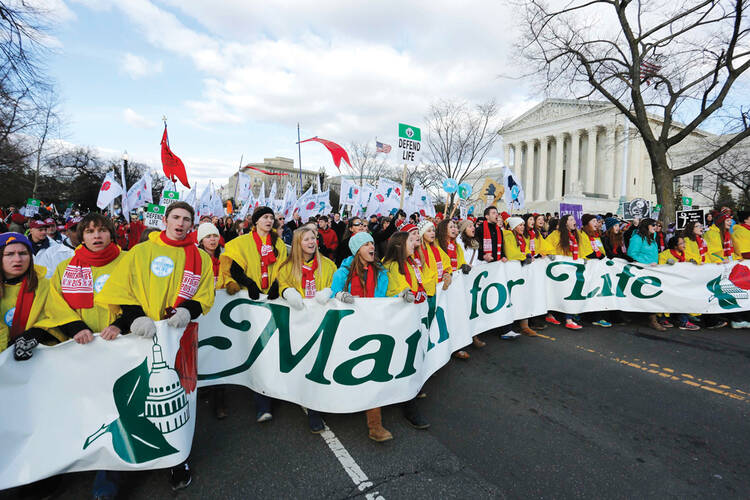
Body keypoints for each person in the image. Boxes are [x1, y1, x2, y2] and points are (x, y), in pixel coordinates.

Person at [96, 201, 216, 491]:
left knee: (180, 401)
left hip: (178, 339)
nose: (181, 222)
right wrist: (135, 318)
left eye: (187, 219)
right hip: (140, 336)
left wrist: (188, 311)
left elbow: (204, 293)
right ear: (165, 219)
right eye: (176, 217)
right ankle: (123, 465)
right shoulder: (140, 252)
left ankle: (178, 458)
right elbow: (123, 288)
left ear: (192, 225)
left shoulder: (201, 257)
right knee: (133, 402)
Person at [331, 232, 393, 441]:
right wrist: (338, 295)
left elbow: (384, 298)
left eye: (372, 243)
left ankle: (375, 426)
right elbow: (332, 295)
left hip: (373, 328)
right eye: (366, 244)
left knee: (372, 374)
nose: (371, 247)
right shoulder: (343, 272)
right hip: (348, 329)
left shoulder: (381, 271)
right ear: (357, 249)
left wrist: (400, 298)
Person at [276, 225, 337, 433]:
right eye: (306, 239)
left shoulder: (328, 265)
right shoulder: (287, 266)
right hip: (298, 323)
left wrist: (331, 291)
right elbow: (280, 282)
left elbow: (337, 284)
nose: (311, 242)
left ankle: (315, 407)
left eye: (314, 238)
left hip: (323, 322)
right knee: (304, 363)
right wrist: (286, 291)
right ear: (297, 243)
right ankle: (305, 400)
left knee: (320, 363)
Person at [381, 229, 430, 430]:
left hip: (412, 318)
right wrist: (406, 295)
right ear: (400, 245)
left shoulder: (411, 263)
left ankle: (409, 393)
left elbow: (420, 283)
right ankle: (408, 404)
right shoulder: (390, 266)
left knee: (411, 356)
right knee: (400, 359)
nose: (415, 244)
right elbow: (393, 292)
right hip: (398, 323)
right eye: (411, 241)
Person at [196, 222, 228, 419]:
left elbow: (231, 277)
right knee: (201, 353)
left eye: (215, 236)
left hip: (220, 315)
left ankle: (220, 401)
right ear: (201, 240)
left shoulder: (224, 259)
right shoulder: (194, 259)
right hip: (200, 314)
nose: (212, 240)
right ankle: (203, 387)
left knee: (219, 355)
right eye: (208, 237)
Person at [221, 206, 287, 301]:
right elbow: (235, 271)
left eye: (272, 218)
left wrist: (277, 284)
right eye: (265, 217)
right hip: (248, 296)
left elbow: (284, 268)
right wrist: (250, 284)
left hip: (273, 298)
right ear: (256, 221)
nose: (269, 220)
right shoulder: (243, 242)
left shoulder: (279, 243)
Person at [540, 214, 593, 330]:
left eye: (574, 219)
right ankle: (551, 314)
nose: (574, 221)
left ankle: (568, 318)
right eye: (571, 219)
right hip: (559, 269)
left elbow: (584, 249)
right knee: (556, 292)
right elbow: (545, 246)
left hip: (572, 269)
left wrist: (584, 258)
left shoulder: (578, 235)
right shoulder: (556, 234)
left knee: (569, 293)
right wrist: (551, 254)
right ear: (565, 223)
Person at [626, 218, 667, 332]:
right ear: (646, 226)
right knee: (648, 294)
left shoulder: (652, 237)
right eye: (653, 225)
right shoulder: (637, 238)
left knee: (653, 293)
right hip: (642, 270)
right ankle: (652, 320)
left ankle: (654, 318)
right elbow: (631, 253)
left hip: (652, 270)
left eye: (656, 224)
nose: (655, 226)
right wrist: (647, 262)